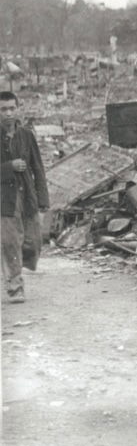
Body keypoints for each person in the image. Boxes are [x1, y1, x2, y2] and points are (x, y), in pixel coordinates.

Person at [1, 91, 49, 303]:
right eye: (3, 109)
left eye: (12, 108)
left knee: (33, 241)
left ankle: (15, 265)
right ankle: (15, 286)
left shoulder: (27, 136)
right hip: (5, 198)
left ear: (18, 109)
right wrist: (9, 167)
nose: (8, 113)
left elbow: (38, 168)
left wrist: (43, 200)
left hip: (27, 194)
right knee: (11, 241)